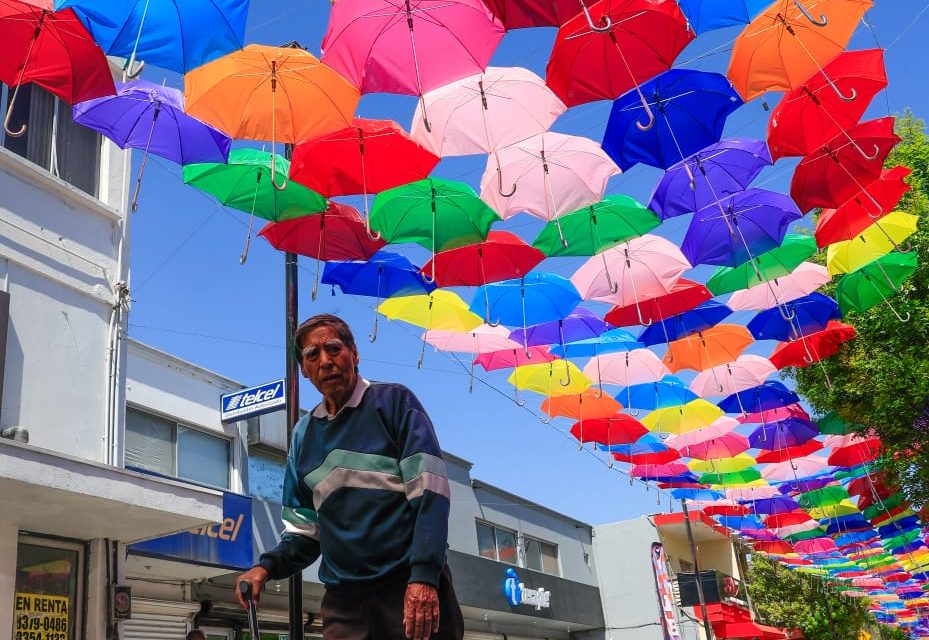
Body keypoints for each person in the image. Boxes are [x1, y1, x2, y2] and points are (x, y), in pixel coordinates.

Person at [235, 314, 463, 640]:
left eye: (333, 348)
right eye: (313, 355)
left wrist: (424, 577)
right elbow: (304, 533)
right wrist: (265, 567)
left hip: (407, 586)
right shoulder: (303, 437)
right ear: (304, 370)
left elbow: (431, 496)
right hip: (346, 604)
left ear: (354, 354)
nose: (325, 361)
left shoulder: (395, 404)